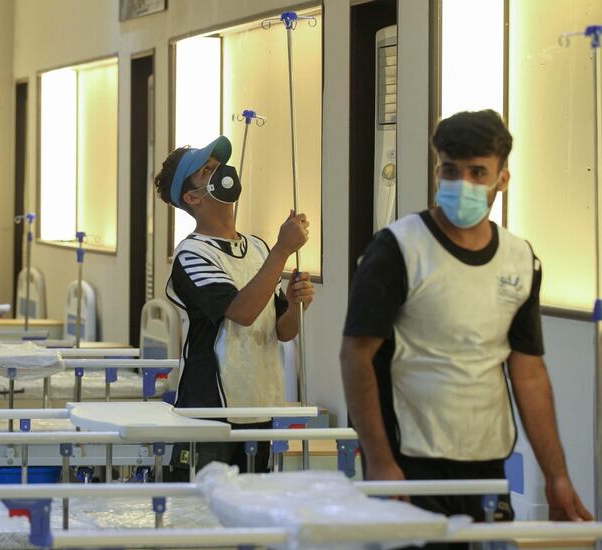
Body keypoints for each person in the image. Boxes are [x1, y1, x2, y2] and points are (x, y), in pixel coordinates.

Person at [340, 110, 591, 526]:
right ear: (437, 171)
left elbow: (528, 373)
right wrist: (381, 462)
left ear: (502, 180)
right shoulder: (398, 250)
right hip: (410, 461)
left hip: (487, 462)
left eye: (478, 172)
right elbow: (356, 356)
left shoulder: (521, 260)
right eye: (451, 171)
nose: (463, 185)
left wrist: (557, 476)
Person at [154, 135, 314, 476]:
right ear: (192, 197)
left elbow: (282, 331)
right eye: (207, 170)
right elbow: (241, 313)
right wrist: (282, 250)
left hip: (260, 402)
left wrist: (298, 305)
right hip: (211, 406)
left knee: (250, 511)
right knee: (201, 513)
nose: (221, 171)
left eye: (217, 165)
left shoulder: (257, 247)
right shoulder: (192, 253)